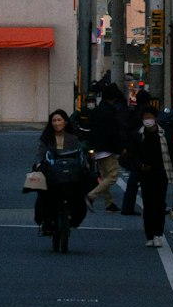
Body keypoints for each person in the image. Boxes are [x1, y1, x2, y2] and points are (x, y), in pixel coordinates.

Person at [34, 108, 89, 252]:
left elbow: (80, 154)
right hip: (52, 173)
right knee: (43, 195)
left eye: (59, 120)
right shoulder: (46, 137)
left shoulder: (73, 138)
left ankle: (73, 219)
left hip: (71, 174)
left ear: (65, 121)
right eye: (54, 120)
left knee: (79, 195)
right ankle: (46, 221)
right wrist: (39, 163)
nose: (57, 123)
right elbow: (40, 153)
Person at [131, 102, 173, 247]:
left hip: (162, 173)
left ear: (155, 118)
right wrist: (140, 165)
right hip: (145, 174)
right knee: (148, 205)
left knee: (159, 204)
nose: (147, 120)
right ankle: (149, 235)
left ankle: (158, 234)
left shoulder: (163, 133)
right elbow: (132, 155)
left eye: (150, 117)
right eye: (145, 117)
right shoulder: (138, 135)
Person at [86, 83, 127, 213]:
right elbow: (114, 133)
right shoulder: (111, 112)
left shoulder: (97, 110)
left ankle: (109, 203)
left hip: (98, 147)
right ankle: (91, 196)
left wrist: (91, 148)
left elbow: (90, 130)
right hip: (108, 148)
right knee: (113, 176)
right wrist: (120, 148)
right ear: (114, 98)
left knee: (104, 177)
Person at [120, 88, 154, 216]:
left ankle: (127, 206)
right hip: (147, 150)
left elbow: (127, 131)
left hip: (134, 150)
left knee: (134, 180)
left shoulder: (132, 114)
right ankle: (154, 206)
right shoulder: (148, 115)